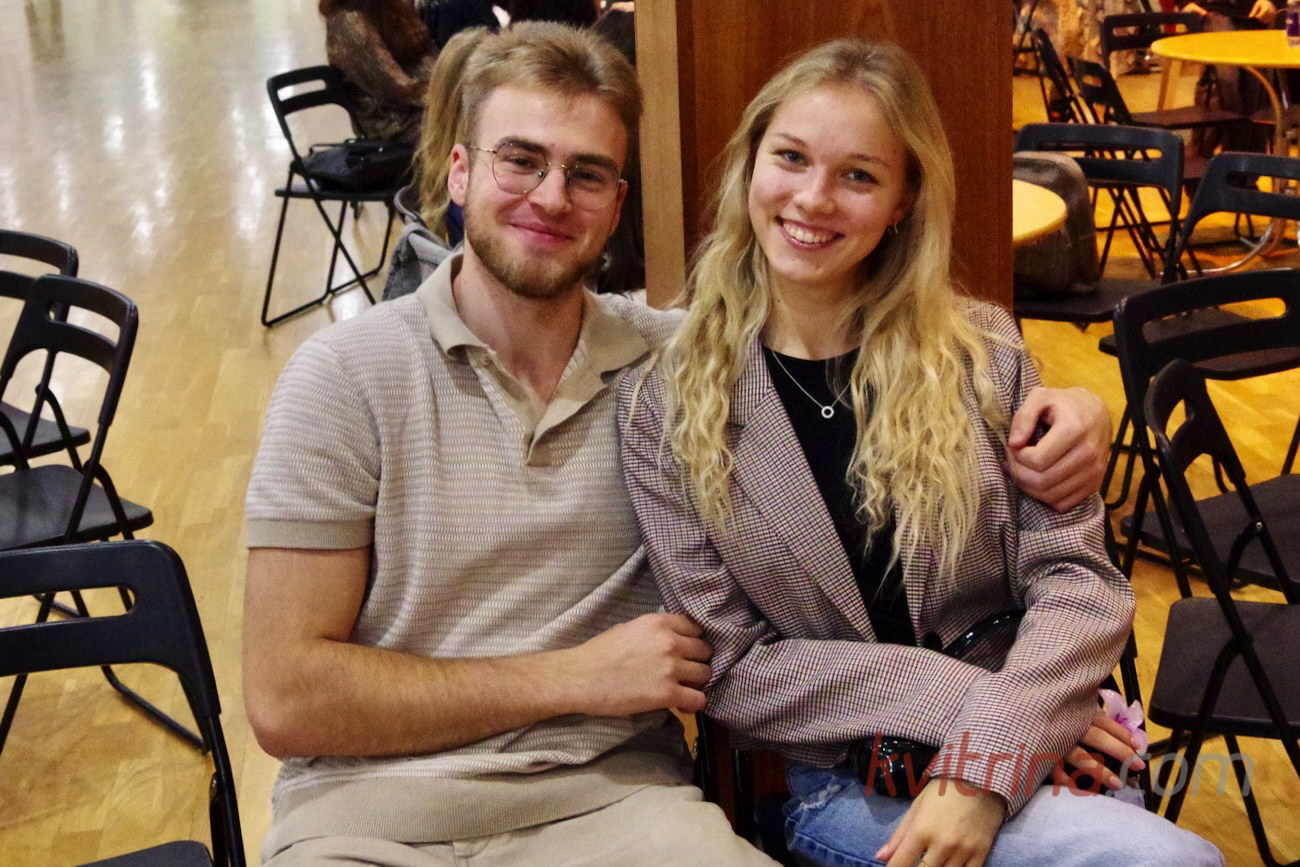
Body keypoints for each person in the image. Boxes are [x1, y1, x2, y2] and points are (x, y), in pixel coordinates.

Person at [244, 22, 1116, 867]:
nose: (552, 197)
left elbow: (813, 337)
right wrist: (573, 677)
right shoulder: (345, 377)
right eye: (521, 159)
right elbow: (284, 699)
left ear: (618, 204)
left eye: (588, 173)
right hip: (370, 817)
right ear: (460, 169)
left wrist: (1084, 407)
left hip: (615, 806)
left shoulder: (669, 366)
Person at [619, 39, 1224, 867]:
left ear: (903, 199)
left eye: (858, 175)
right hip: (850, 776)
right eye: (790, 157)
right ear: (751, 162)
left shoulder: (984, 354)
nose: (813, 198)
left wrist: (989, 764)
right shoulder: (665, 403)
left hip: (1050, 740)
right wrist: (987, 714)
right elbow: (733, 666)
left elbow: (1079, 580)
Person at [321, 0, 437, 145]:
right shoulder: (346, 22)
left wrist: (449, 82)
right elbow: (393, 87)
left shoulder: (391, 8)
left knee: (460, 113)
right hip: (391, 120)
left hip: (418, 104)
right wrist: (442, 95)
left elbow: (425, 51)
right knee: (455, 125)